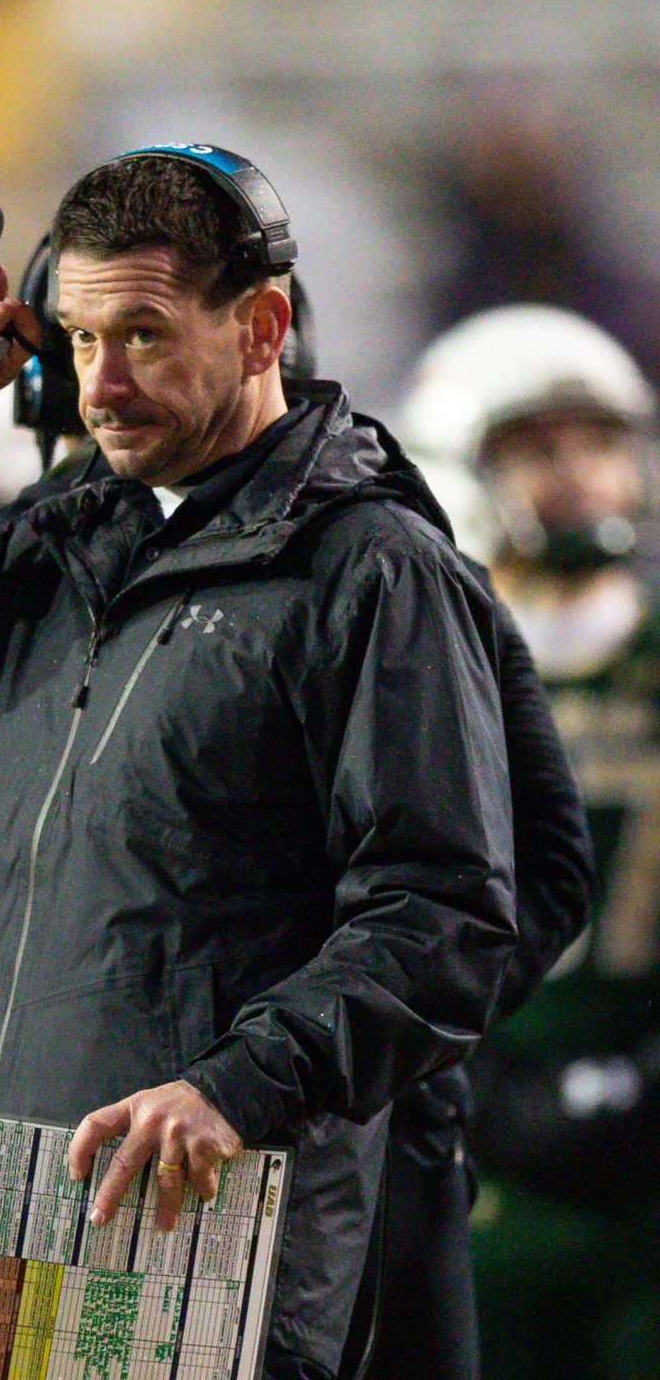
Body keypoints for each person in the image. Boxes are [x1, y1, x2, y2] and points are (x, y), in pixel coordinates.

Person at [0, 147, 519, 1380]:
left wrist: (237, 1091)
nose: (101, 385)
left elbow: (448, 911)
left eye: (142, 333)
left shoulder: (373, 569)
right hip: (14, 1197)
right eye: (78, 341)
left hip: (208, 1213)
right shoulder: (66, 543)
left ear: (262, 327)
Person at [397, 306, 660, 1380]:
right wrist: (464, 1079)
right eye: (542, 449)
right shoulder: (410, 668)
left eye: (600, 444)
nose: (583, 476)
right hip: (468, 1141)